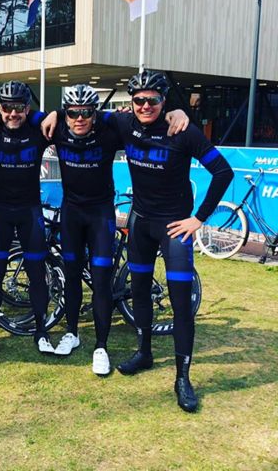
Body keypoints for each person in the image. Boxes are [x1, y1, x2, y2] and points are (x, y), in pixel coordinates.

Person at [38, 86, 189, 376]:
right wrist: (53, 113)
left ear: (95, 114)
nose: (80, 118)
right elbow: (13, 119)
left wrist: (176, 111)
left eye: (86, 112)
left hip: (100, 215)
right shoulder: (58, 129)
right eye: (72, 113)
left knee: (101, 281)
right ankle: (71, 333)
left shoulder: (110, 131)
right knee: (72, 277)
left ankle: (101, 346)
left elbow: (145, 121)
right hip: (72, 213)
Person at [111, 70, 234, 412]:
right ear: (131, 102)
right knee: (139, 292)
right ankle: (144, 352)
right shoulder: (123, 124)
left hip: (174, 227)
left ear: (163, 100)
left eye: (152, 100)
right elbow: (80, 117)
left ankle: (182, 377)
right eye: (138, 100)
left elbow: (223, 172)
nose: (145, 106)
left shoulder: (182, 130)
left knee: (181, 303)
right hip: (140, 222)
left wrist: (199, 218)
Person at [0, 81, 53, 356]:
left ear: (27, 108)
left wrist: (50, 114)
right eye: (7, 107)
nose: (13, 113)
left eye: (19, 107)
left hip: (29, 213)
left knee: (37, 274)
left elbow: (60, 118)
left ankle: (41, 332)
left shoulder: (38, 130)